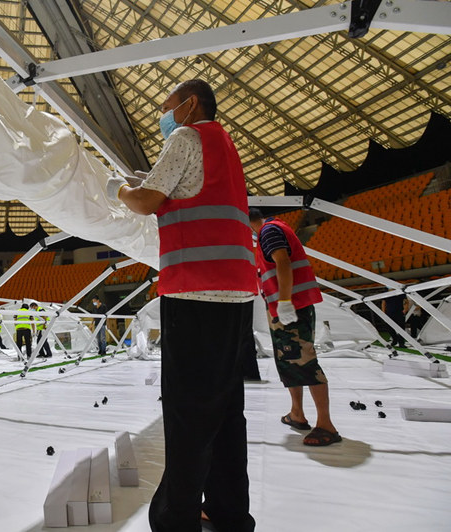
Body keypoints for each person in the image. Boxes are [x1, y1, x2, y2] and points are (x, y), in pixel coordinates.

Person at [107, 79, 257, 531]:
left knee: (189, 410)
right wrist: (146, 182)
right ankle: (230, 512)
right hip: (235, 292)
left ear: (190, 105)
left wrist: (119, 189)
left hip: (194, 291)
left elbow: (146, 201)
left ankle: (178, 519)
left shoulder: (184, 136)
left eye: (168, 106)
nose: (164, 114)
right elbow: (183, 190)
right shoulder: (223, 145)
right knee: (228, 408)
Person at [248, 209, 341, 448]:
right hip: (285, 308)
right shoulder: (271, 230)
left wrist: (286, 301)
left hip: (292, 307)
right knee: (289, 359)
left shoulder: (269, 231)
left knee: (304, 360)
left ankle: (326, 425)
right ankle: (297, 413)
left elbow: (283, 262)